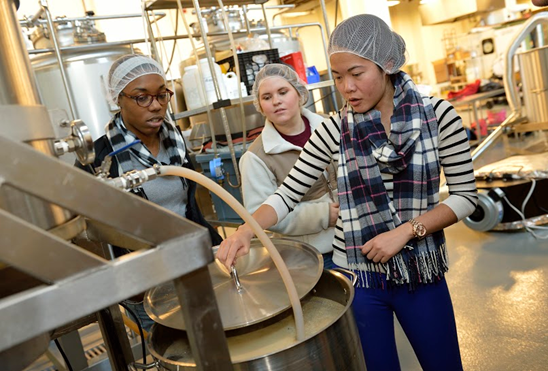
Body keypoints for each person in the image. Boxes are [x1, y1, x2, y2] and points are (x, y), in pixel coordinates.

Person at [216, 14, 478, 371]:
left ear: (386, 65)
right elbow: (287, 194)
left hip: (420, 270)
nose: (346, 87)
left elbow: (465, 196)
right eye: (338, 77)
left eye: (357, 74)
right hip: (359, 277)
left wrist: (404, 232)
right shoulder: (333, 131)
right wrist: (247, 228)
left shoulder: (438, 116)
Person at [76, 54, 222, 331]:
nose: (156, 106)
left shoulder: (175, 140)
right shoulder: (99, 159)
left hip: (193, 263)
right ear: (118, 99)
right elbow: (91, 233)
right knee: (171, 347)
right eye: (142, 98)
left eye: (162, 95)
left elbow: (190, 206)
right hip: (144, 282)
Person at [240, 63, 339, 268]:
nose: (276, 101)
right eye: (267, 97)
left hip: (355, 240)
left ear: (299, 93)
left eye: (283, 92)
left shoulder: (330, 127)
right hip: (313, 255)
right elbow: (261, 214)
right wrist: (323, 215)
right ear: (259, 105)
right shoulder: (256, 157)